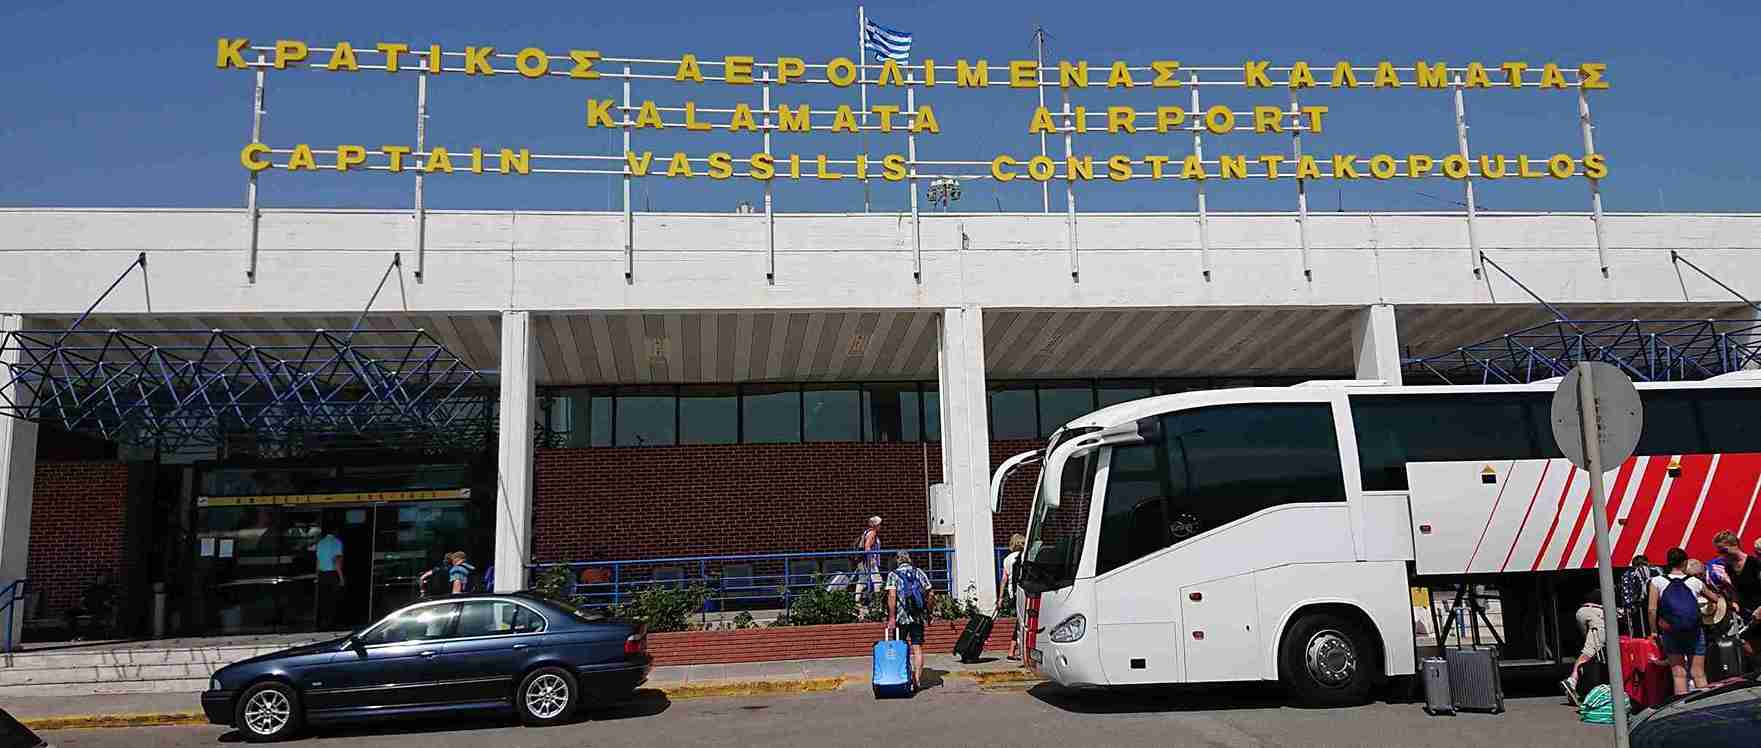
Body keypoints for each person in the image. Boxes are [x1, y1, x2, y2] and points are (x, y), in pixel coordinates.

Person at [1649, 547, 1724, 695]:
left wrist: (1653, 631)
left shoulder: (1657, 581)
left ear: (1668, 562)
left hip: (1671, 631)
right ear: (1685, 563)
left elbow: (1652, 609)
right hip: (1694, 631)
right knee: (1699, 673)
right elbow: (1716, 599)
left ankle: (1681, 710)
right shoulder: (1695, 582)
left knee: (1678, 674)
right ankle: (1705, 705)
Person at [1708, 530, 1761, 668]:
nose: (1722, 555)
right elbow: (1735, 590)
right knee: (1746, 643)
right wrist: (1735, 602)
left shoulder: (1754, 563)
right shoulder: (1729, 568)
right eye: (1719, 552)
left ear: (1734, 545)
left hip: (1759, 609)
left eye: (1724, 550)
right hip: (1747, 612)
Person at [885, 550, 935, 692]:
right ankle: (917, 680)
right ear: (909, 560)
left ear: (898, 561)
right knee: (917, 648)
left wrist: (892, 617)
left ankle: (904, 677)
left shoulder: (893, 575)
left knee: (901, 647)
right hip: (918, 617)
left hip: (901, 617)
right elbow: (931, 593)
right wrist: (928, 611)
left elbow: (892, 596)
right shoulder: (919, 572)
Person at [1560, 590, 1605, 707]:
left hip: (1582, 611)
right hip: (1596, 612)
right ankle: (1572, 681)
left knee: (1589, 650)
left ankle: (1576, 687)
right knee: (1589, 652)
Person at [1619, 554, 1661, 636]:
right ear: (1648, 563)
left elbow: (1627, 595)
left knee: (1640, 633)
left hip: (1637, 609)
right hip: (1656, 606)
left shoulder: (1628, 574)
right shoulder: (1657, 571)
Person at [314, 522, 346, 629]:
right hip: (333, 575)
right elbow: (337, 561)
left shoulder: (320, 543)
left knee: (324, 599)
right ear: (335, 531)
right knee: (333, 600)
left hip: (322, 575)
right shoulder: (337, 542)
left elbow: (318, 561)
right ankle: (331, 623)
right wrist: (341, 577)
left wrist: (317, 576)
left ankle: (323, 622)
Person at [1000, 533, 1026, 662]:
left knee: (1019, 621)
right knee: (1023, 622)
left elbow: (1004, 579)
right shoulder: (1023, 557)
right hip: (1022, 591)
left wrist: (1000, 598)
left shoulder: (1006, 559)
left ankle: (1012, 650)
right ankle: (1017, 651)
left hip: (1012, 593)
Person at [856, 516, 882, 602]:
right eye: (879, 524)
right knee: (878, 581)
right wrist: (871, 560)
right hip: (869, 561)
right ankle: (877, 602)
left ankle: (857, 601)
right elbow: (867, 547)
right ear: (876, 525)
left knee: (862, 580)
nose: (880, 526)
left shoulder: (866, 532)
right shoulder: (872, 533)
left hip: (863, 561)